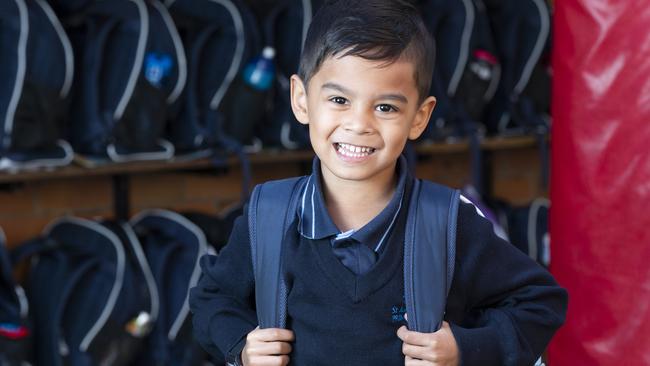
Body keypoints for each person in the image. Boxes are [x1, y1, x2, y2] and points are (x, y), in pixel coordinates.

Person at [189, 1, 568, 365]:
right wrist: (241, 345)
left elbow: (540, 300)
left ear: (419, 117)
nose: (359, 124)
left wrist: (466, 349)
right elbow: (211, 297)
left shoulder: (448, 224)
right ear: (301, 100)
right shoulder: (268, 216)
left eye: (385, 107)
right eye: (339, 99)